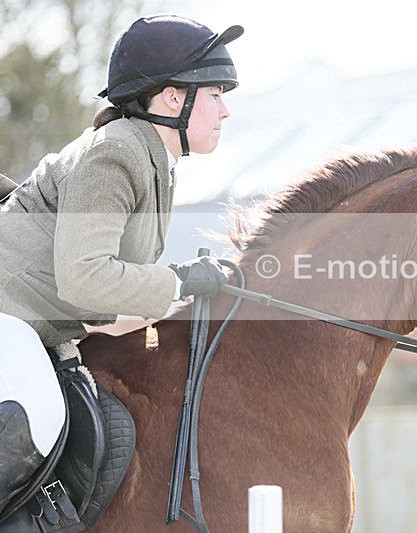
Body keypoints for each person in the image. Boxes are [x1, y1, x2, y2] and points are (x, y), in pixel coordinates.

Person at [0, 14, 242, 514]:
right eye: (216, 94)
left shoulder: (153, 159)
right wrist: (177, 283)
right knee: (37, 419)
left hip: (39, 326)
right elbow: (85, 277)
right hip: (10, 319)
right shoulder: (117, 152)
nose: (225, 110)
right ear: (172, 98)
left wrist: (178, 287)